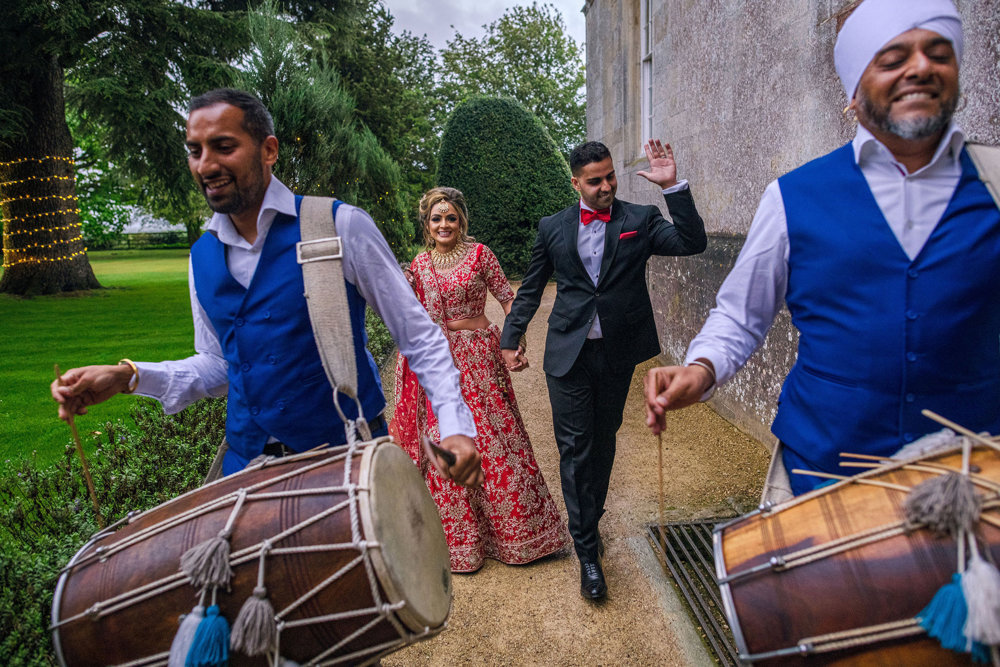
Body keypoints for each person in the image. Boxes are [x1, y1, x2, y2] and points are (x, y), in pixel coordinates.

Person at [644, 0, 1000, 501]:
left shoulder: (995, 184)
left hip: (974, 484)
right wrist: (701, 369)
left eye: (938, 53)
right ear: (854, 92)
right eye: (893, 58)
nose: (920, 67)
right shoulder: (793, 197)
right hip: (824, 478)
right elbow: (741, 316)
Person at [51, 88, 483, 488]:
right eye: (195, 151)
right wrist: (129, 376)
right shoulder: (201, 256)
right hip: (245, 473)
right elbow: (219, 366)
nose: (206, 164)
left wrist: (455, 424)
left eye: (224, 146)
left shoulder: (339, 225)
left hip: (346, 463)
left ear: (269, 150)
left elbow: (417, 335)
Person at [500, 139, 707, 599]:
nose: (606, 186)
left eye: (610, 176)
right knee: (575, 447)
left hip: (616, 352)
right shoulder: (552, 227)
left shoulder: (640, 220)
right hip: (566, 354)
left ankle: (587, 520)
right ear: (576, 183)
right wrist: (510, 337)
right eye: (594, 181)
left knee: (603, 439)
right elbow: (531, 289)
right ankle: (588, 554)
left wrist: (672, 186)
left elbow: (692, 242)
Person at [390, 187, 569, 572]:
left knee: (495, 441)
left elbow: (509, 300)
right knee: (444, 443)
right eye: (436, 218)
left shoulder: (480, 254)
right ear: (426, 224)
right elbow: (400, 302)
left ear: (461, 221)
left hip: (480, 359)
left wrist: (514, 340)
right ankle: (460, 545)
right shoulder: (418, 266)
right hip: (438, 363)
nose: (443, 224)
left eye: (450, 217)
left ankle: (519, 536)